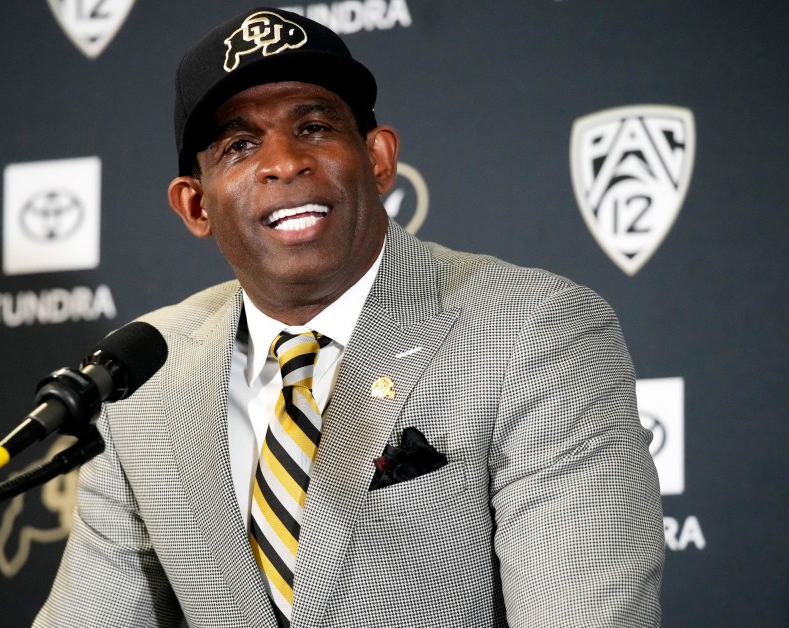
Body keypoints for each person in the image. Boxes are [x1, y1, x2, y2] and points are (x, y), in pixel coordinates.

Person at [35, 7, 665, 627]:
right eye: (240, 144)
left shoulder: (534, 332)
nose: (284, 161)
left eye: (313, 127)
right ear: (195, 205)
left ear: (379, 159)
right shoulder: (145, 380)